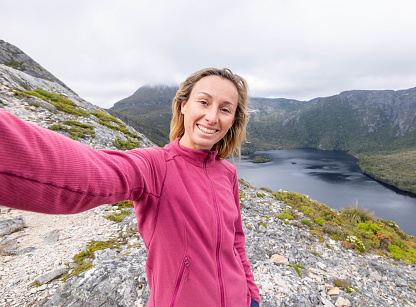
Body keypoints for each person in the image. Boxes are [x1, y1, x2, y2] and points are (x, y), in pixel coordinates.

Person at [0, 68, 260, 307]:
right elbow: (95, 172)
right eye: (203, 102)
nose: (212, 116)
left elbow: (236, 240)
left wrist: (251, 295)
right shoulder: (156, 165)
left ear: (232, 119)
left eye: (225, 109)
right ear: (183, 106)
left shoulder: (227, 172)